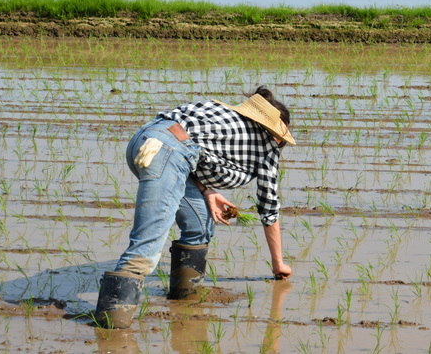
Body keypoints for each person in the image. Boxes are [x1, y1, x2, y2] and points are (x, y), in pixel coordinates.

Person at [93, 86, 295, 329]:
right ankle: (111, 325)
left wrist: (207, 191)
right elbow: (269, 208)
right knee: (148, 242)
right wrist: (278, 263)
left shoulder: (219, 110)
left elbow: (191, 146)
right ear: (276, 133)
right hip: (167, 153)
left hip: (145, 140)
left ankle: (184, 297)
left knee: (199, 223)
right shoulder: (267, 147)